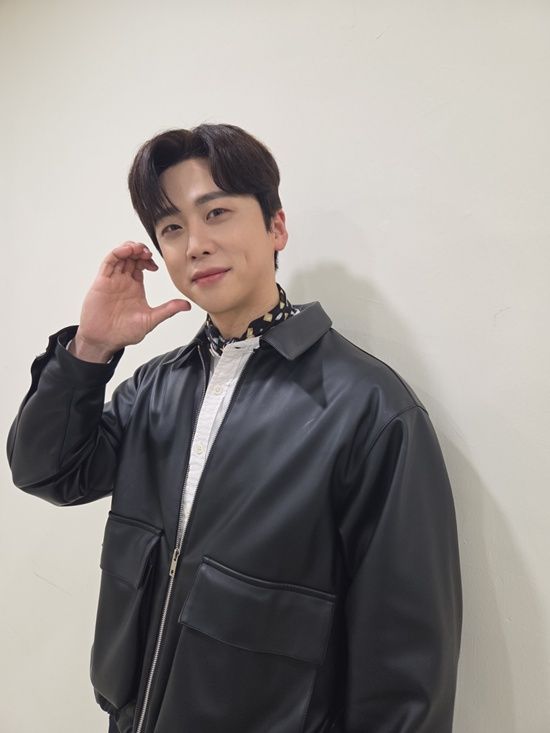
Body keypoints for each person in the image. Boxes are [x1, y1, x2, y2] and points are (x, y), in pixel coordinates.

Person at [7, 123, 462, 733]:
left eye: (216, 212)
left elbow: (404, 670)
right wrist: (90, 349)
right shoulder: (155, 389)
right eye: (172, 228)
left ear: (276, 227)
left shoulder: (369, 410)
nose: (195, 244)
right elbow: (47, 472)